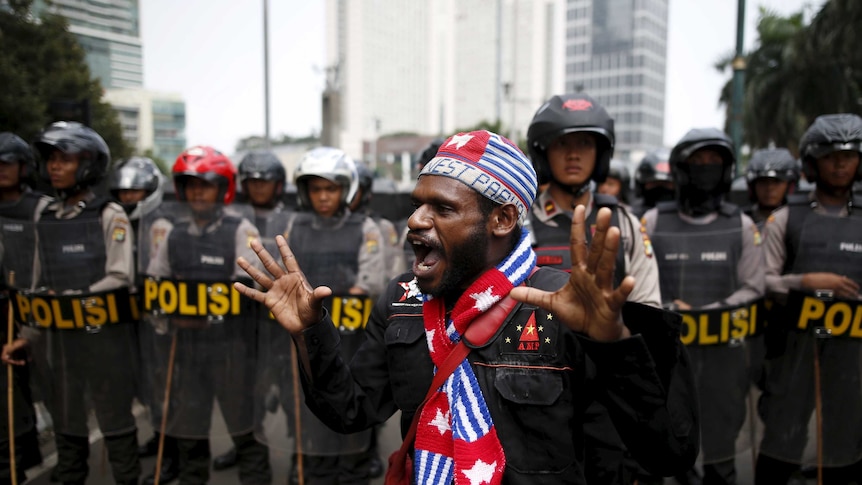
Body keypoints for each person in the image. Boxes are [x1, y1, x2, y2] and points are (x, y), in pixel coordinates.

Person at [235, 130, 699, 484]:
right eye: (418, 205)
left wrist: (615, 344)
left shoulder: (565, 306)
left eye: (443, 208)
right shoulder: (401, 301)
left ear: (501, 219)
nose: (415, 221)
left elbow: (669, 454)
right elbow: (350, 411)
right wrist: (310, 333)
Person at [526, 93, 662, 484]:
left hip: (607, 391)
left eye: (584, 143)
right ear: (543, 152)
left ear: (600, 153)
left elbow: (648, 313)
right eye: (562, 144)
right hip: (535, 384)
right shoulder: (518, 222)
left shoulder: (624, 223)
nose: (573, 154)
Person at [3, 121, 140, 485]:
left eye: (64, 159)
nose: (54, 167)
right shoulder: (44, 216)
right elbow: (37, 284)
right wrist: (27, 336)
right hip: (59, 348)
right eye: (50, 159)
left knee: (116, 427)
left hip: (103, 343)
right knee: (67, 429)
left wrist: (69, 300)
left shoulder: (109, 214)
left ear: (88, 164)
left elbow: (121, 277)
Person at [641, 128, 765, 485]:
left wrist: (709, 310)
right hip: (668, 359)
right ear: (682, 168)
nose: (707, 169)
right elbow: (639, 280)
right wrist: (667, 307)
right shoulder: (653, 221)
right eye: (699, 162)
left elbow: (754, 286)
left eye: (715, 162)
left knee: (722, 443)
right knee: (669, 441)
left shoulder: (739, 225)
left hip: (723, 359)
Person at [143, 145, 271, 485]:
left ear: (223, 187)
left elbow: (245, 292)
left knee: (247, 434)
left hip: (230, 351)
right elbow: (158, 285)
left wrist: (191, 305)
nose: (197, 192)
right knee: (188, 436)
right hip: (183, 351)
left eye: (206, 184)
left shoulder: (241, 230)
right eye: (190, 184)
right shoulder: (173, 232)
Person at [755, 113, 862, 484]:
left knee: (844, 449)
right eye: (831, 155)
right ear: (813, 162)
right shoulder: (786, 219)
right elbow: (763, 282)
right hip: (793, 354)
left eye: (848, 155)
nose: (841, 164)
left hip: (851, 358)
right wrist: (807, 281)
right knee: (780, 447)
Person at [278, 146, 384, 484]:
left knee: (349, 410)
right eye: (316, 188)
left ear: (346, 188)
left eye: (331, 188)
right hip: (307, 338)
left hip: (350, 338)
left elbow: (368, 284)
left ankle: (354, 470)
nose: (323, 196)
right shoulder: (295, 227)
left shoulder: (365, 228)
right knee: (311, 416)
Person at [211, 149, 291, 473]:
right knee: (242, 391)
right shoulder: (231, 218)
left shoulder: (292, 218)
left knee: (287, 389)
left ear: (278, 184)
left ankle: (298, 452)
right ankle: (244, 444)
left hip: (279, 320)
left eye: (265, 182)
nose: (258, 188)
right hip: (242, 320)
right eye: (252, 182)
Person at [107, 156, 181, 485]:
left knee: (164, 389)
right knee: (144, 388)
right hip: (127, 317)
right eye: (122, 193)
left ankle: (172, 453)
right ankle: (158, 435)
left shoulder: (160, 224)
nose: (128, 198)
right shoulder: (116, 222)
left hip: (158, 320)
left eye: (135, 192)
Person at [0, 132, 48, 485]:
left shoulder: (41, 209)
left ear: (23, 167)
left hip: (37, 310)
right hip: (2, 312)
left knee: (41, 386)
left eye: (6, 163)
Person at [743, 148, 800, 227]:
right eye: (763, 182)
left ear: (790, 186)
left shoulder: (800, 222)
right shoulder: (741, 222)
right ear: (752, 186)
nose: (769, 188)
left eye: (777, 182)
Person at [632, 148, 674, 217]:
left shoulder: (688, 217)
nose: (660, 189)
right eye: (655, 183)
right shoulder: (631, 217)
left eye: (665, 184)